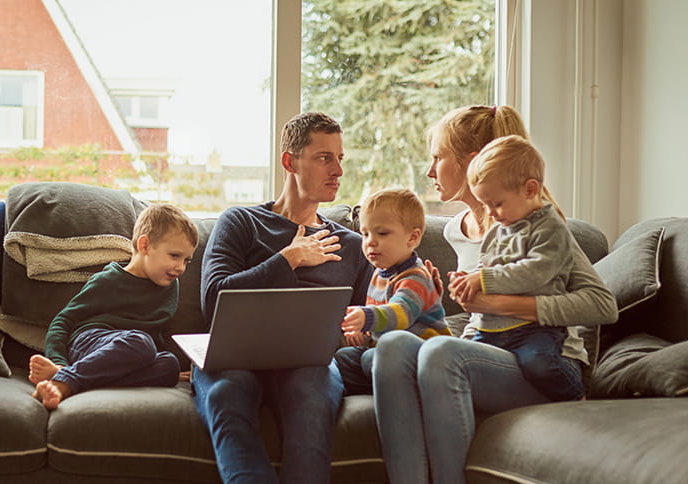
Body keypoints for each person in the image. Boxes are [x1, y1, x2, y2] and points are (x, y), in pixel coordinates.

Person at [371, 105, 618, 484]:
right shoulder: (457, 229)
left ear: (472, 161)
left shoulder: (539, 226)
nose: (430, 170)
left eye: (438, 157)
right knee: (392, 347)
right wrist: (435, 300)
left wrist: (499, 301)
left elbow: (600, 304)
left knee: (440, 352)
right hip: (491, 350)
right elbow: (476, 318)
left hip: (541, 362)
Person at [191, 112, 374, 484]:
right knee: (227, 392)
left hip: (310, 364)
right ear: (290, 161)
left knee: (311, 395)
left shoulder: (354, 246)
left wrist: (365, 328)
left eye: (340, 158)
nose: (337, 170)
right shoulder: (241, 222)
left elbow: (372, 313)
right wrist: (289, 259)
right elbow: (214, 299)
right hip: (233, 356)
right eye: (325, 157)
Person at [448, 134, 583, 402]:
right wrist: (466, 280)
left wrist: (482, 279)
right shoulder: (500, 229)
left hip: (534, 328)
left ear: (530, 190)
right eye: (486, 205)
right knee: (459, 362)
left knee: (539, 363)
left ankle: (576, 396)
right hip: (491, 329)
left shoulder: (551, 228)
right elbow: (485, 266)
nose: (492, 213)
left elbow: (534, 273)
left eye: (497, 204)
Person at [28, 203, 199, 410]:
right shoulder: (109, 280)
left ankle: (77, 376)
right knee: (141, 341)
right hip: (91, 343)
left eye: (186, 260)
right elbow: (63, 320)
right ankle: (64, 380)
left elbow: (156, 337)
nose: (180, 267)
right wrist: (58, 360)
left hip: (131, 356)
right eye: (174, 256)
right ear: (145, 246)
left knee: (169, 365)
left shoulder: (170, 286)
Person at [334, 187, 450, 396]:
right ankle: (383, 383)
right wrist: (364, 333)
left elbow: (401, 314)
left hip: (419, 353)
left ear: (412, 238)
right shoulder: (380, 274)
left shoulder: (415, 276)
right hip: (384, 351)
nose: (371, 241)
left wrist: (366, 317)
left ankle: (397, 383)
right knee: (343, 358)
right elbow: (382, 326)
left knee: (369, 359)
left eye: (382, 233)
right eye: (365, 233)